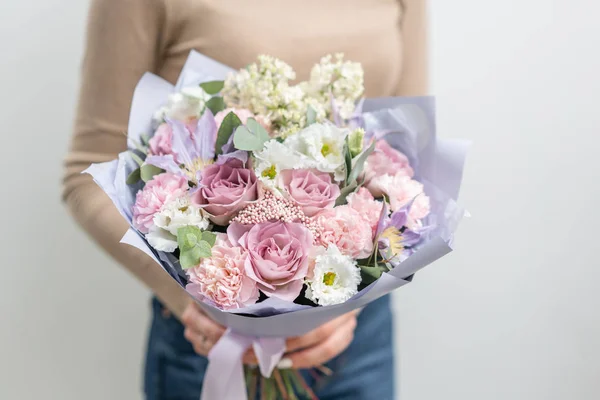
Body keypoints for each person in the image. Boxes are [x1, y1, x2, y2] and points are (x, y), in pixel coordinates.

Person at [63, 0, 428, 398]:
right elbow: (86, 174)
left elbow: (405, 158)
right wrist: (194, 301)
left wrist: (348, 306)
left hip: (354, 340)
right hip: (207, 342)